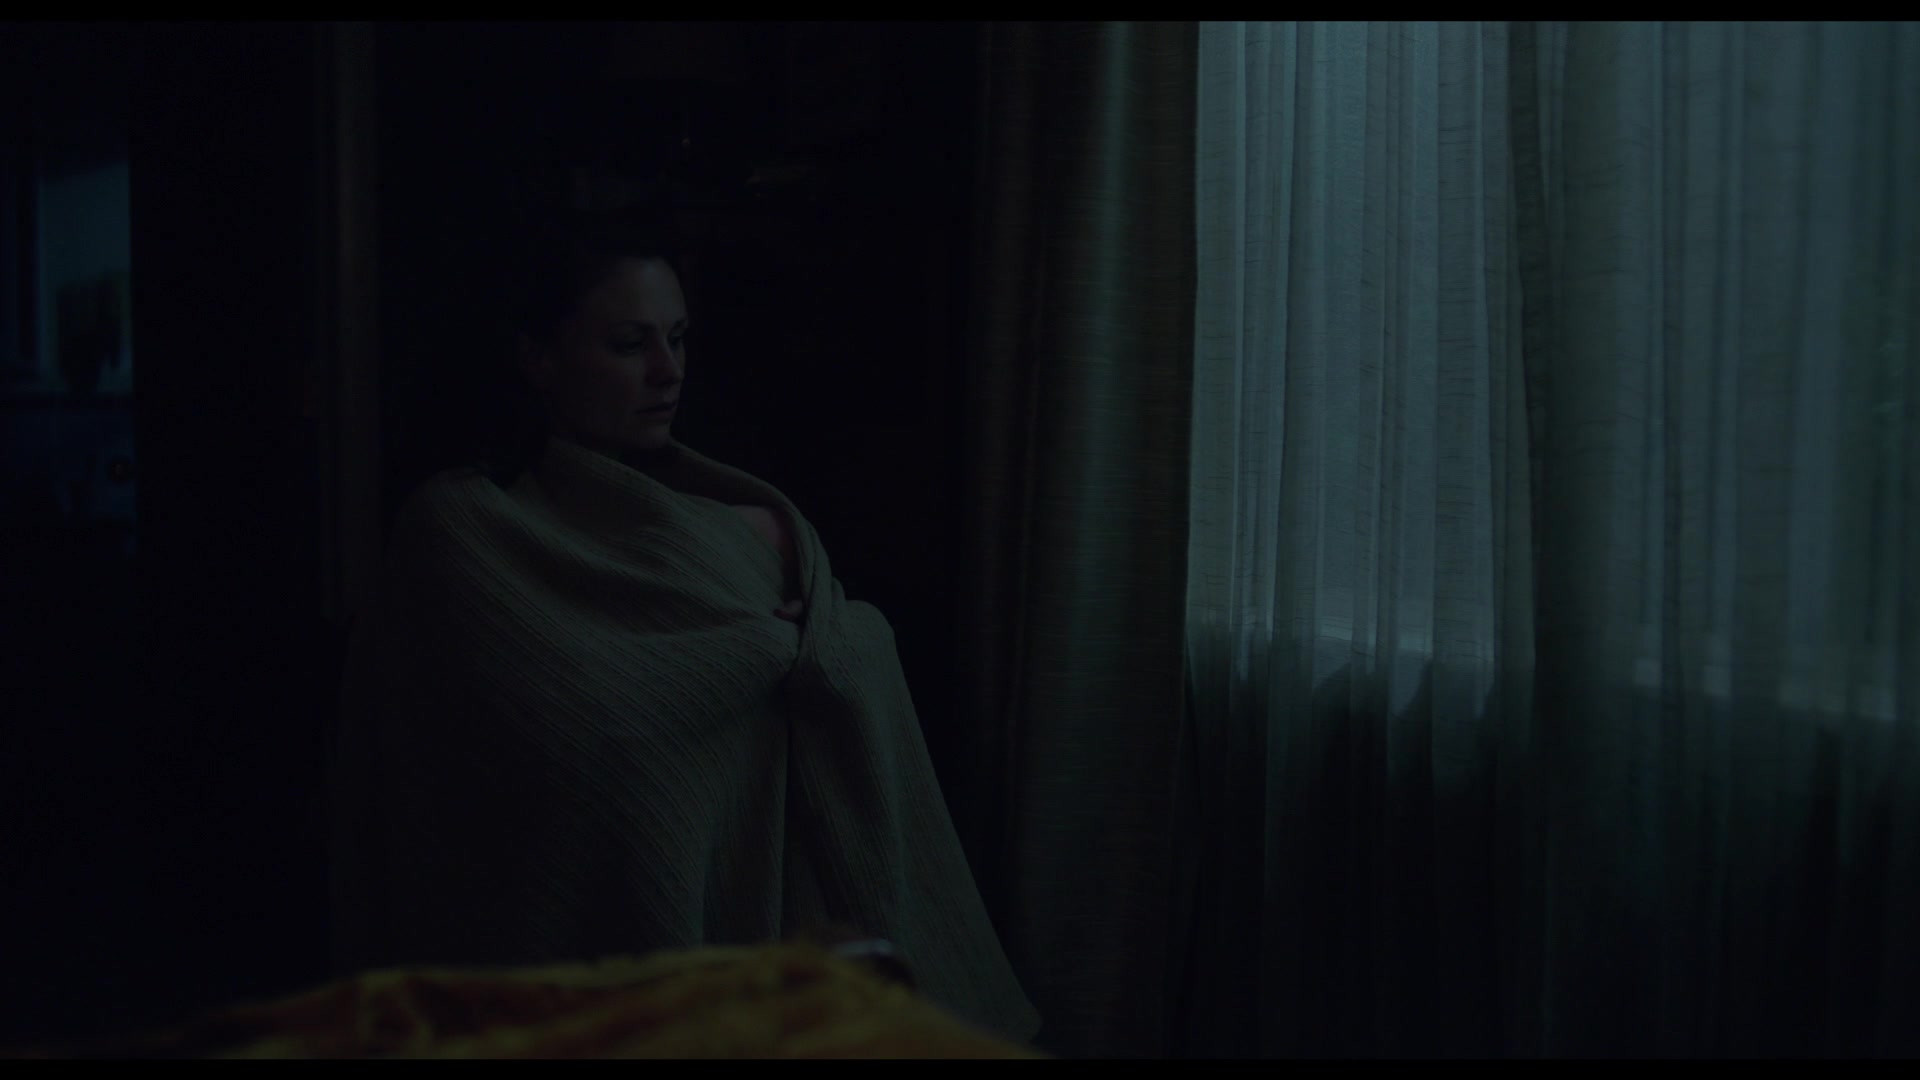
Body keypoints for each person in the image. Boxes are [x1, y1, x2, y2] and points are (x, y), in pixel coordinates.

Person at [325, 206, 1039, 1044]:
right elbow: (552, 749)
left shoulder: (736, 518)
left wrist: (829, 641)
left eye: (678, 338)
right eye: (630, 345)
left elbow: (842, 653)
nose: (668, 372)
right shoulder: (463, 528)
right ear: (538, 358)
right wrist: (765, 650)